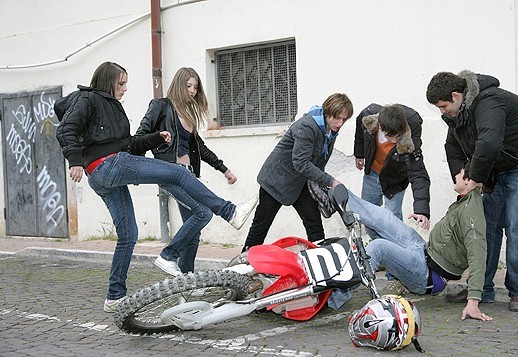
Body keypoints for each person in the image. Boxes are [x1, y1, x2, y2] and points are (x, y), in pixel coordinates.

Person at [55, 61, 257, 313]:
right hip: (107, 165)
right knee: (177, 175)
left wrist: (154, 138)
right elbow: (66, 130)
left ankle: (114, 296)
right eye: (121, 83)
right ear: (108, 82)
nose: (125, 88)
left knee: (128, 235)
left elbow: (127, 143)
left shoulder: (113, 107)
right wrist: (74, 160)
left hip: (106, 172)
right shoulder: (89, 99)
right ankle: (229, 212)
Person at [426, 70, 518, 312]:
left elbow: (488, 142)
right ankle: (482, 288)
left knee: (516, 223)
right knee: (485, 224)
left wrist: (475, 178)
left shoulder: (488, 101)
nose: (442, 111)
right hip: (502, 162)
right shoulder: (456, 115)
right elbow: (452, 146)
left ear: (457, 96)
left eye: (443, 106)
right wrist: (460, 175)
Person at [320, 161, 492, 321]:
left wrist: (473, 301)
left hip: (428, 275)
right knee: (384, 217)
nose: (456, 175)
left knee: (378, 248)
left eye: (460, 173)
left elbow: (478, 256)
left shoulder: (472, 213)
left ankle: (332, 300)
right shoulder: (466, 201)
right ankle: (333, 190)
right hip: (422, 250)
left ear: (469, 180)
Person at [136, 67, 238, 274]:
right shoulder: (161, 106)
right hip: (169, 173)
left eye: (195, 87)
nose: (192, 91)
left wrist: (224, 169)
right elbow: (140, 137)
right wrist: (138, 167)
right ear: (179, 85)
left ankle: (186, 280)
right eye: (188, 85)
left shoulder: (189, 114)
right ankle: (168, 255)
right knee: (203, 213)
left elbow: (199, 148)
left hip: (188, 175)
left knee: (194, 229)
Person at [241, 93, 354, 252]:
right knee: (260, 227)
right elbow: (301, 163)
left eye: (344, 119)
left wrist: (322, 187)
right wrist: (331, 181)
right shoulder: (308, 126)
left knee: (314, 224)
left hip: (300, 183)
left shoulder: (330, 130)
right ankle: (243, 265)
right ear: (328, 112)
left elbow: (318, 162)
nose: (340, 123)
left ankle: (319, 264)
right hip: (276, 181)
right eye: (338, 118)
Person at [353, 103, 431, 234]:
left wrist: (422, 211)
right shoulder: (368, 118)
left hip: (396, 179)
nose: (395, 140)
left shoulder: (409, 138)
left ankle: (395, 250)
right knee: (367, 214)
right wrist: (359, 153)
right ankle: (375, 246)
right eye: (391, 136)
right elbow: (359, 130)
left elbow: (418, 173)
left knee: (393, 219)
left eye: (398, 136)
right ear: (380, 126)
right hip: (372, 174)